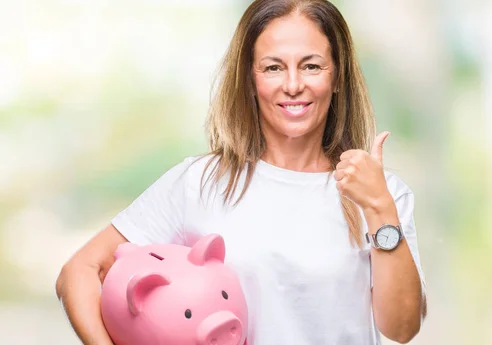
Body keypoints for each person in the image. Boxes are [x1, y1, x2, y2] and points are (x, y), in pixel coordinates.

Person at [55, 0, 427, 344]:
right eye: (273, 67)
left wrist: (379, 208)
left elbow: (401, 327)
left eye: (311, 65)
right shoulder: (201, 182)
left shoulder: (381, 192)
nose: (294, 85)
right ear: (251, 79)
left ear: (338, 75)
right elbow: (80, 272)